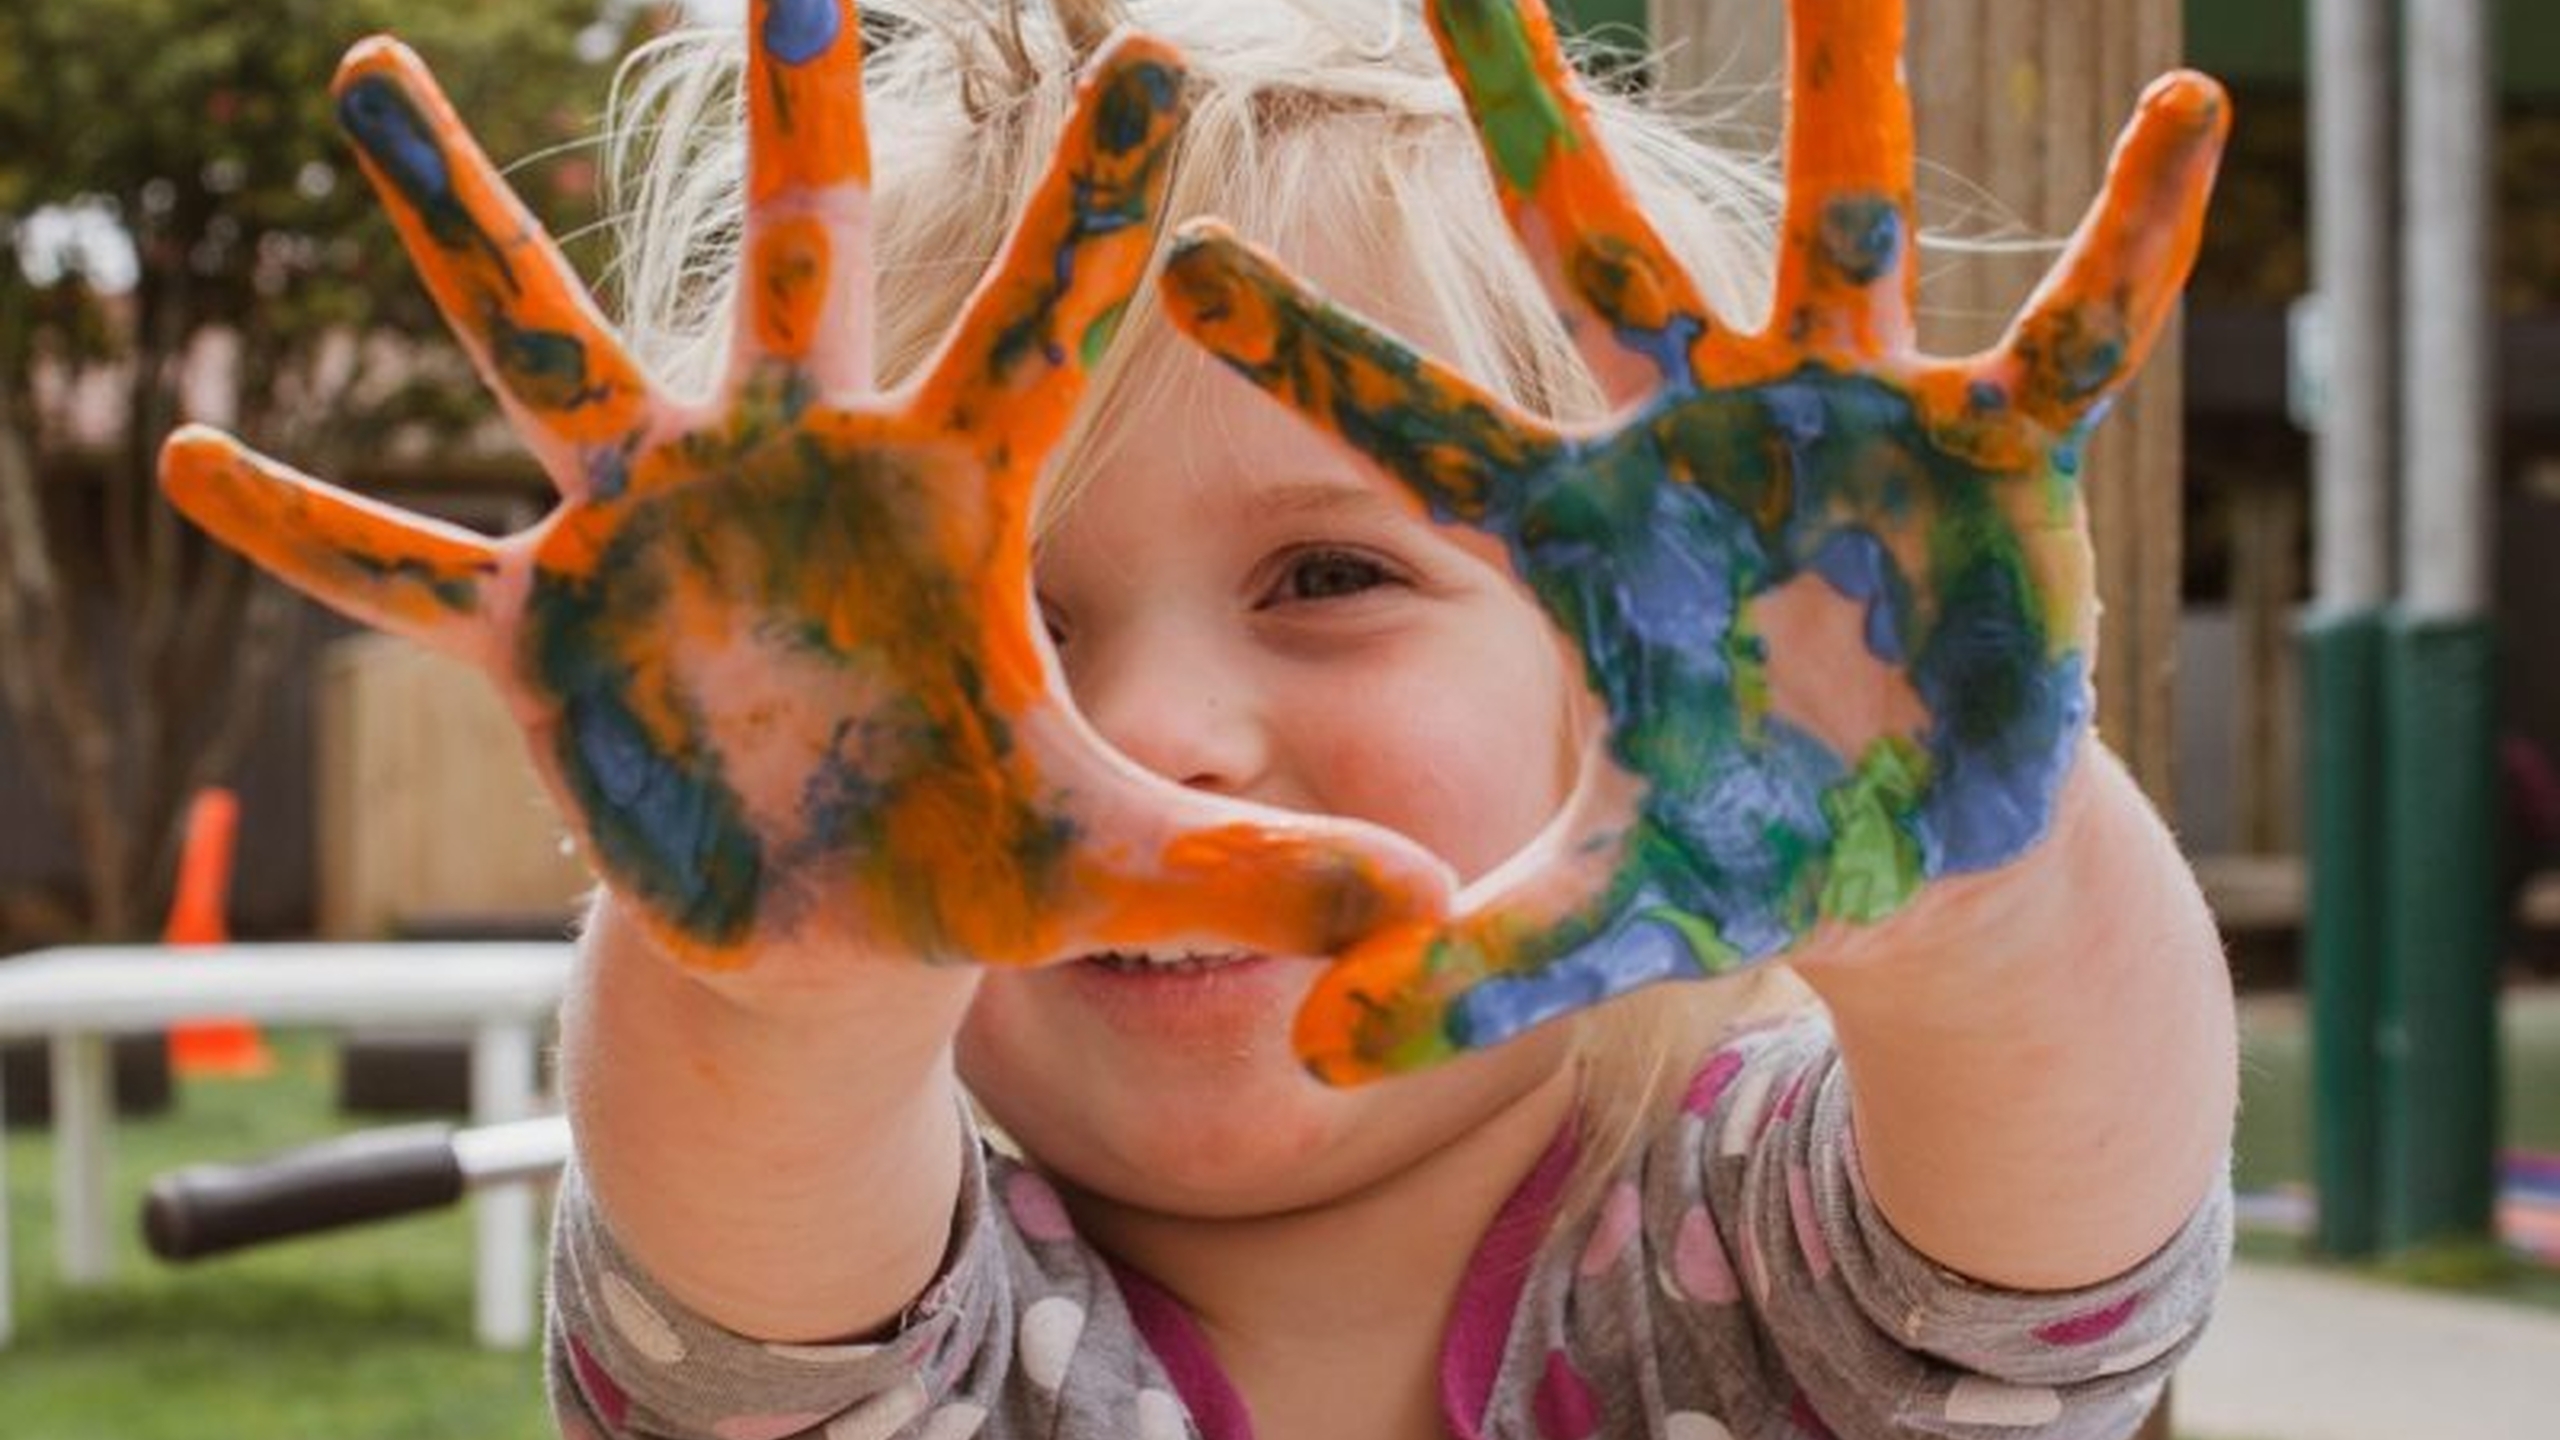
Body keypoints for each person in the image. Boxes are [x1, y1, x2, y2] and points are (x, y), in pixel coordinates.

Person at [161, 1, 2238, 1437]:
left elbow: (2066, 1210)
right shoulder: (909, 1330)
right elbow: (749, 1216)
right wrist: (782, 990)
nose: (1152, 728)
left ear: (1637, 668)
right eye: (984, 644)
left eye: (1328, 578)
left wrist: (1969, 881)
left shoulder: (1761, 1238)